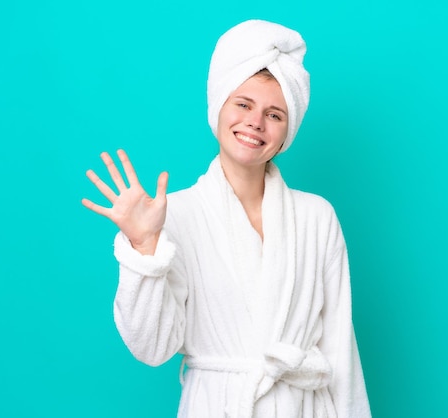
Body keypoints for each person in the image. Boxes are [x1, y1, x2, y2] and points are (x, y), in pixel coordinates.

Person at [82, 19, 371, 418]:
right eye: (243, 104)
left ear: (288, 129)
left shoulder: (316, 217)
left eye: (275, 114)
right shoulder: (175, 215)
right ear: (219, 105)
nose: (255, 122)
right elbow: (152, 348)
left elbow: (341, 350)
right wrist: (144, 249)